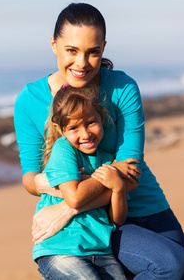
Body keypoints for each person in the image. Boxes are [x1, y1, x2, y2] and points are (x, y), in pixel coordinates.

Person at [14, 2, 184, 279]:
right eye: (71, 50)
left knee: (176, 267)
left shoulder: (122, 87)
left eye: (93, 52)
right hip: (97, 223)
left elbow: (131, 171)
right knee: (171, 266)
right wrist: (42, 183)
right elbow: (30, 177)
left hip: (146, 208)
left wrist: (68, 207)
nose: (82, 63)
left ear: (103, 48)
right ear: (53, 44)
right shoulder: (30, 100)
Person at [34, 84, 131, 280]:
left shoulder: (106, 158)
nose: (85, 134)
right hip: (61, 248)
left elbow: (117, 219)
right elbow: (75, 198)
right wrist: (107, 175)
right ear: (60, 130)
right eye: (74, 128)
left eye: (91, 122)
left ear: (102, 117)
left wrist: (119, 188)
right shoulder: (64, 149)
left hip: (101, 250)